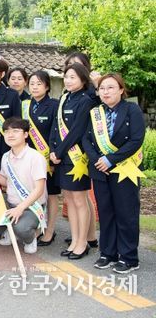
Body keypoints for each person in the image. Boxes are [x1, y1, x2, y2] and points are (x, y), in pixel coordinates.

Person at [83, 74, 145, 274]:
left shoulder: (132, 109)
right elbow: (86, 139)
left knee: (126, 213)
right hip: (100, 170)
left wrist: (110, 159)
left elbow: (136, 139)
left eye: (111, 87)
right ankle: (108, 253)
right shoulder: (95, 113)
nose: (106, 92)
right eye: (102, 88)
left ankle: (129, 257)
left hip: (124, 169)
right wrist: (97, 160)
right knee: (106, 212)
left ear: (121, 90)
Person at [50, 63, 95, 260]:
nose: (68, 81)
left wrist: (59, 151)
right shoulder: (64, 98)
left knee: (79, 200)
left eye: (73, 77)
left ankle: (83, 242)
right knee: (69, 199)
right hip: (60, 157)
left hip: (76, 158)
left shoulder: (85, 101)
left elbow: (77, 131)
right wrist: (52, 150)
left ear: (83, 80)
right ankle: (75, 240)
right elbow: (55, 127)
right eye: (66, 77)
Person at [0, 117, 48, 255]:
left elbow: (39, 189)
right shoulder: (5, 156)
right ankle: (10, 230)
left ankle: (29, 239)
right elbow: (6, 182)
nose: (10, 135)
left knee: (22, 228)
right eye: (7, 131)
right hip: (11, 203)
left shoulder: (35, 157)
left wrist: (20, 208)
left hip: (31, 207)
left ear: (25, 134)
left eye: (15, 131)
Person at [24, 71, 60, 247]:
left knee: (51, 195)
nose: (35, 87)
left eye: (39, 84)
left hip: (47, 158)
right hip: (28, 158)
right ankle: (38, 226)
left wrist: (52, 156)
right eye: (32, 83)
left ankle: (50, 230)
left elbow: (56, 132)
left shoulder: (54, 105)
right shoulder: (25, 105)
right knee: (33, 192)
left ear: (47, 86)